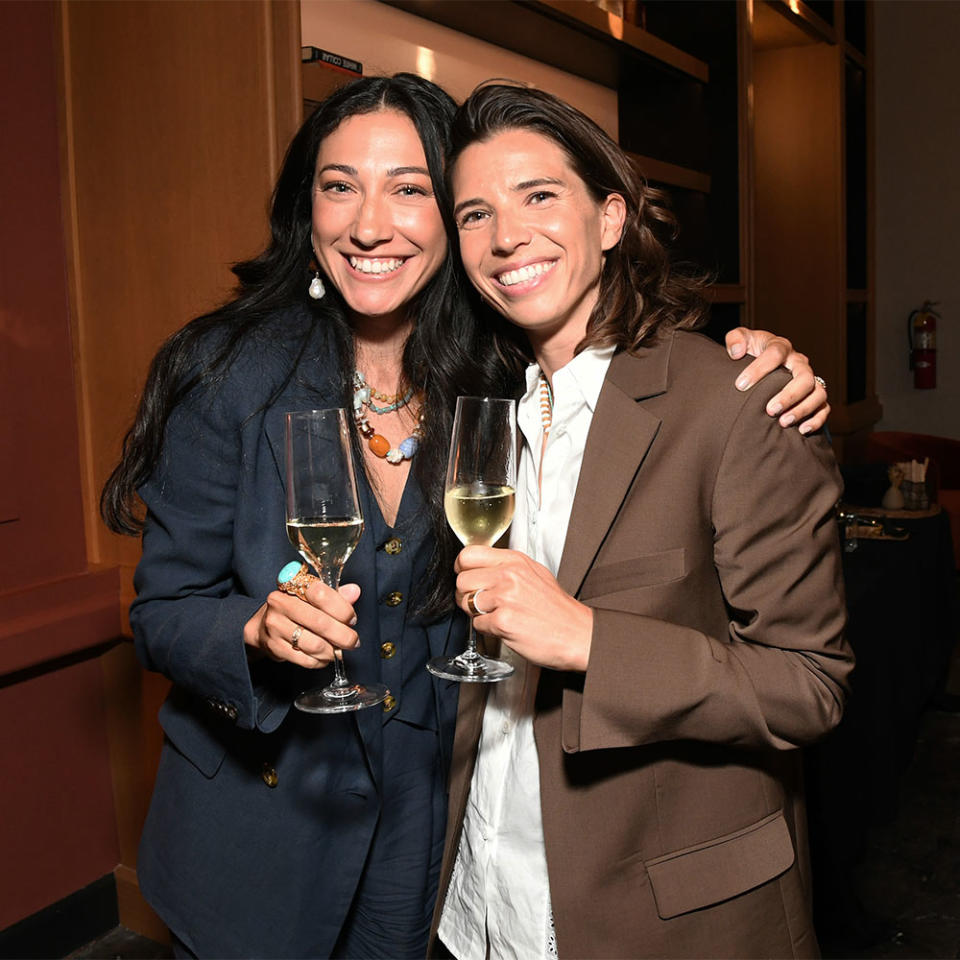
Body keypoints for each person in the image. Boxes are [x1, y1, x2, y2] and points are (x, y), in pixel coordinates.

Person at [101, 73, 830, 959]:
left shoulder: (487, 376)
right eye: (340, 186)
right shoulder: (229, 372)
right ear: (308, 208)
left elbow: (646, 382)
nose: (371, 224)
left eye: (410, 188)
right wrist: (251, 631)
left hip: (427, 837)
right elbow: (161, 612)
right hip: (263, 835)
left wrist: (768, 358)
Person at [432, 84, 854, 960]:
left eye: (539, 195)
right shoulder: (483, 407)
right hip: (479, 898)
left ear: (613, 217)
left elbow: (811, 683)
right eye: (475, 212)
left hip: (659, 916)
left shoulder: (736, 402)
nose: (506, 236)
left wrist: (591, 639)